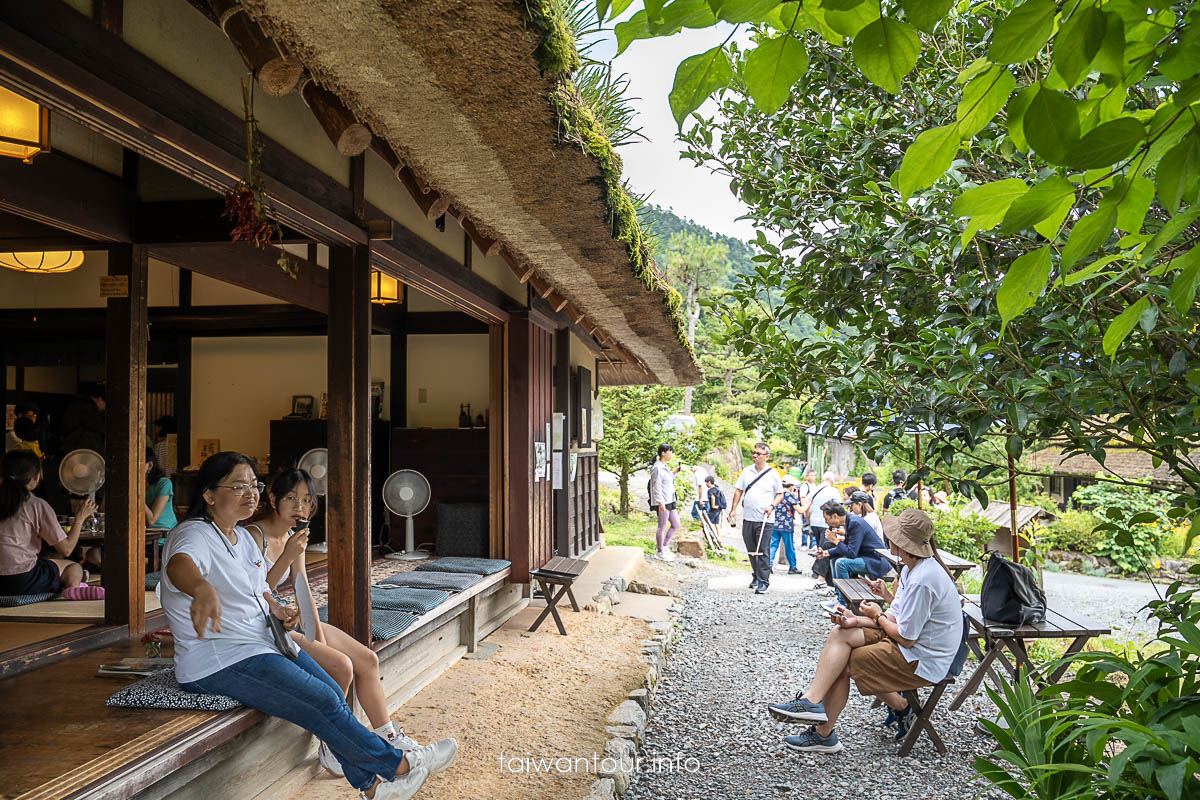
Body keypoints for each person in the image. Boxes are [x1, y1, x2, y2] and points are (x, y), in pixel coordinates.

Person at [160, 452, 457, 799]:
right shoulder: (193, 533)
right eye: (237, 486)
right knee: (323, 700)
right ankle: (402, 765)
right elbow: (180, 566)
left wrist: (279, 608)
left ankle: (373, 788)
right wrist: (200, 588)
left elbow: (260, 589)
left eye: (253, 485)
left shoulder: (239, 538)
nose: (250, 493)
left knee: (331, 690)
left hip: (261, 643)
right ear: (209, 495)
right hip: (220, 660)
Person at [248, 468, 421, 776]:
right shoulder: (253, 535)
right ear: (273, 499)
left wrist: (317, 637)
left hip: (289, 617)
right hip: (264, 624)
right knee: (341, 665)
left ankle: (387, 735)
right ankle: (334, 746)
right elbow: (257, 591)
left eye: (305, 500)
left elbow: (302, 587)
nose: (299, 508)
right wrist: (288, 555)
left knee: (367, 659)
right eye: (290, 498)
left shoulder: (291, 537)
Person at [767, 509, 962, 753]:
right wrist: (856, 621)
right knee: (841, 633)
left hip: (922, 659)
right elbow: (894, 618)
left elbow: (906, 637)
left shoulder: (925, 579)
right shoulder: (911, 569)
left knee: (846, 662)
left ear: (902, 542)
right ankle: (811, 701)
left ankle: (824, 734)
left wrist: (875, 615)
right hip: (907, 643)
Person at [0, 450, 96, 597]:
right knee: (73, 566)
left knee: (46, 562)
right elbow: (67, 549)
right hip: (21, 580)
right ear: (36, 477)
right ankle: (73, 589)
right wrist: (80, 517)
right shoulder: (35, 504)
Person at [728, 442, 784, 594]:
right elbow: (738, 491)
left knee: (763, 550)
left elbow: (780, 494)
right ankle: (756, 575)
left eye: (758, 453)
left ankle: (764, 581)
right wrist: (733, 510)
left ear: (767, 457)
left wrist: (772, 506)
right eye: (754, 452)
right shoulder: (747, 471)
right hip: (748, 517)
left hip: (765, 519)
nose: (754, 455)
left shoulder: (773, 474)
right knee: (751, 549)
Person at [814, 500, 890, 610]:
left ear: (835, 516)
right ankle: (839, 598)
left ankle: (844, 605)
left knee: (841, 563)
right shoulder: (850, 521)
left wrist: (835, 541)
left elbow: (851, 553)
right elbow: (849, 548)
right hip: (865, 558)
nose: (826, 522)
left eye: (827, 519)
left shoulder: (855, 523)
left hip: (875, 561)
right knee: (834, 560)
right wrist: (826, 553)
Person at [648, 444, 680, 561]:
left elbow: (667, 481)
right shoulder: (657, 468)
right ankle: (660, 551)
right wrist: (660, 503)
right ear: (663, 453)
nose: (671, 454)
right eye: (670, 452)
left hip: (671, 499)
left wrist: (674, 473)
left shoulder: (664, 466)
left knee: (676, 524)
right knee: (662, 526)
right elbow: (656, 486)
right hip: (663, 501)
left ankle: (665, 546)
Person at [769, 477, 803, 576]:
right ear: (791, 486)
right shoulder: (791, 496)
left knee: (772, 545)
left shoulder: (776, 495)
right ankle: (792, 567)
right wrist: (807, 504)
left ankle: (768, 565)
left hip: (774, 523)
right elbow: (799, 510)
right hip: (787, 525)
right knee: (789, 547)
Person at [59, 383, 105, 455]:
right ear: (100, 399)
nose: (102, 409)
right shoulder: (88, 407)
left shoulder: (77, 402)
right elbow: (100, 428)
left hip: (70, 445)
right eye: (104, 406)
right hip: (79, 446)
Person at [145, 446, 178, 530]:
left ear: (150, 465)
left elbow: (151, 521)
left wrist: (136, 495)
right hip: (141, 533)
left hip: (164, 535)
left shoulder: (164, 484)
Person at [805, 472, 842, 548]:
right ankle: (822, 559)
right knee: (825, 547)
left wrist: (808, 519)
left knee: (819, 546)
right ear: (832, 481)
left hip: (814, 522)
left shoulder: (814, 489)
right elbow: (839, 506)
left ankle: (819, 558)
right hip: (826, 522)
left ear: (822, 479)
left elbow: (807, 504)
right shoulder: (833, 490)